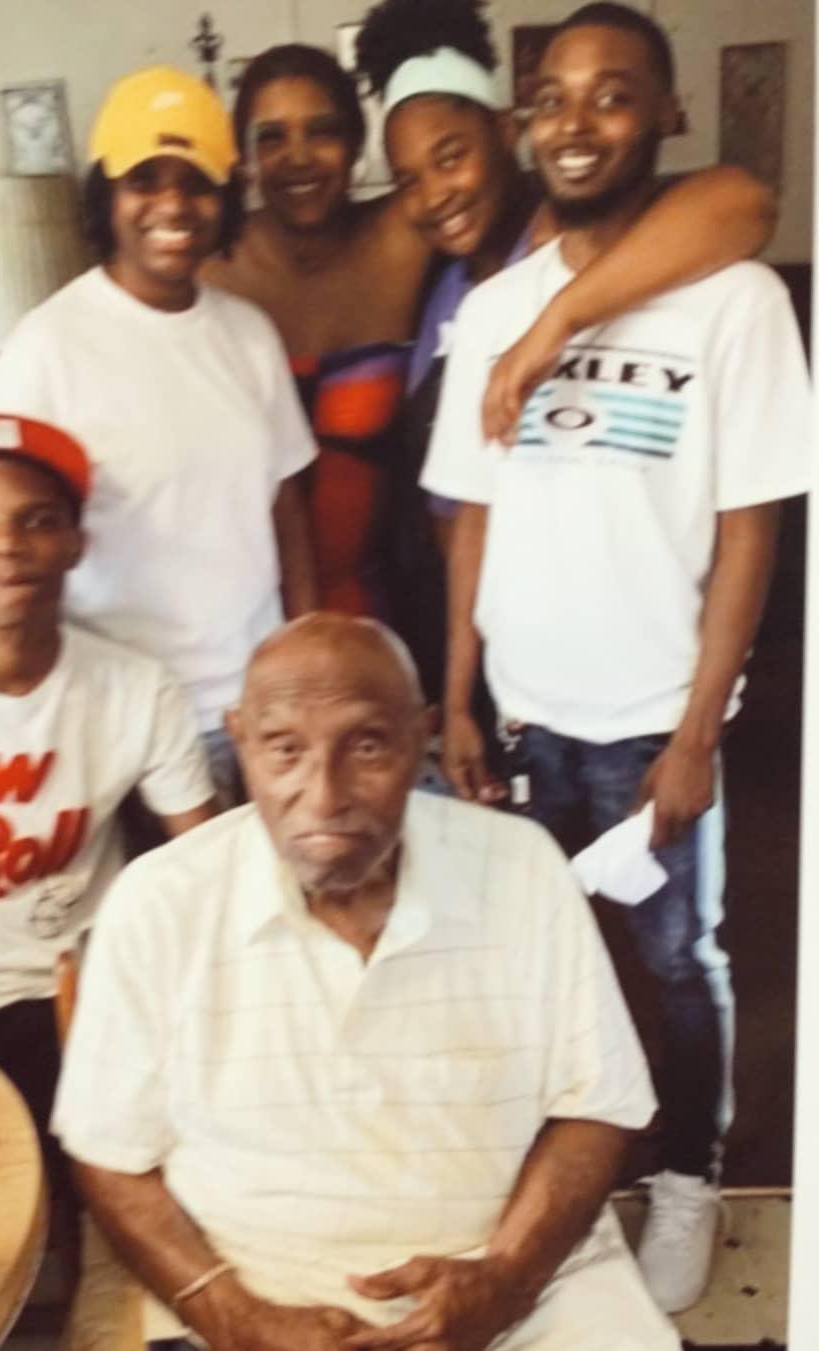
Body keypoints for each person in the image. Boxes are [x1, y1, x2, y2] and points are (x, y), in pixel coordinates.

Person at [420, 2, 811, 1314]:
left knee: (679, 964)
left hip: (654, 723)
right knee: (542, 960)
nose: (577, 123)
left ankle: (690, 1175)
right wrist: (459, 695)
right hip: (527, 720)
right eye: (554, 98)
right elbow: (470, 520)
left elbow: (751, 529)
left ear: (668, 113)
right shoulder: (494, 309)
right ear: (526, 123)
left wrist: (699, 732)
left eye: (613, 93)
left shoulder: (738, 301)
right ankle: (566, 1191)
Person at [52, 613, 678, 1351]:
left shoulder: (523, 868)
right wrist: (234, 1316)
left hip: (519, 1290)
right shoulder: (160, 900)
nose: (324, 796)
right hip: (254, 1294)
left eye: (368, 746)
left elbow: (599, 1105)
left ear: (421, 740)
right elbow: (106, 1151)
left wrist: (506, 1279)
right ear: (240, 741)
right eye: (285, 749)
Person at [206, 28, 774, 630]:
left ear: (353, 148)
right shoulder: (224, 266)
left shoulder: (487, 234)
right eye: (271, 137)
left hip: (514, 610)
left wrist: (559, 319)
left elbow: (743, 202)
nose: (298, 156)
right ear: (244, 159)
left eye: (322, 131)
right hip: (286, 608)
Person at [0, 67, 318, 801]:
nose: (173, 204)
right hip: (120, 720)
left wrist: (305, 660)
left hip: (255, 709)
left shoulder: (249, 336)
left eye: (196, 182)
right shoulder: (47, 348)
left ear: (226, 198)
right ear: (106, 196)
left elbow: (286, 509)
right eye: (144, 180)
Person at [351, 0, 779, 701]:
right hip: (481, 640)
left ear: (506, 131)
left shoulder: (594, 239)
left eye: (452, 157)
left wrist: (558, 320)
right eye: (408, 178)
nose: (434, 195)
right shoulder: (445, 279)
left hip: (604, 663)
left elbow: (744, 201)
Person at [0, 409, 216, 1210]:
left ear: (75, 545)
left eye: (37, 521)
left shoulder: (135, 688)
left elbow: (203, 868)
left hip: (88, 1002)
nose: (6, 544)